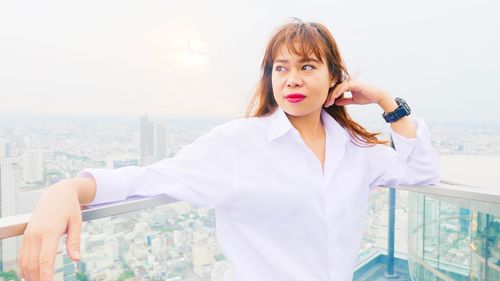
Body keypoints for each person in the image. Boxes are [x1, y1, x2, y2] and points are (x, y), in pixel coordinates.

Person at [19, 19, 440, 281]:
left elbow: (420, 172)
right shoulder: (239, 143)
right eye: (281, 68)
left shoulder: (353, 148)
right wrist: (69, 190)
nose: (292, 79)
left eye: (308, 66)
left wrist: (387, 101)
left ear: (334, 78)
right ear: (270, 78)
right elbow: (152, 179)